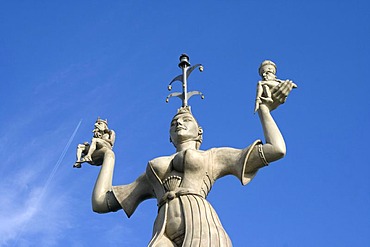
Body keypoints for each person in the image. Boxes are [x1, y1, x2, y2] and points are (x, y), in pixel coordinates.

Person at [84, 74, 295, 246]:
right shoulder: (152, 173)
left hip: (201, 224)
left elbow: (276, 149)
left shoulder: (213, 156)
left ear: (199, 132)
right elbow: (101, 203)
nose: (178, 123)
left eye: (186, 120)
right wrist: (109, 157)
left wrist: (264, 111)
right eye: (174, 122)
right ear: (169, 136)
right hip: (162, 230)